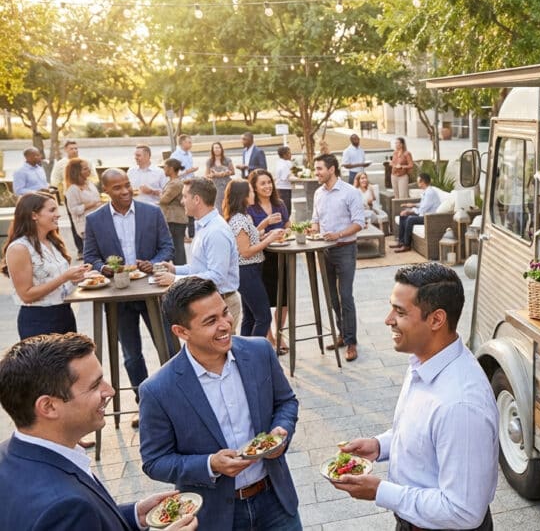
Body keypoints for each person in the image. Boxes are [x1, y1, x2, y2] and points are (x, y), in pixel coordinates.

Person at [331, 263, 498, 530]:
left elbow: (463, 511)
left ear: (436, 320)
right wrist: (380, 446)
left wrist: (380, 491)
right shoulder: (425, 360)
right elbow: (425, 434)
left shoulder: (461, 405)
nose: (388, 320)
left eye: (400, 312)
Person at [139, 277, 301, 531]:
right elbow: (154, 461)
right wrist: (210, 464)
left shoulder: (260, 352)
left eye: (225, 312)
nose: (225, 324)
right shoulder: (158, 389)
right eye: (210, 321)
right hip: (215, 516)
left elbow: (286, 402)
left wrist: (282, 431)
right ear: (181, 332)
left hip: (275, 500)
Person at [0, 334, 198, 531]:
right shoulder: (65, 507)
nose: (110, 391)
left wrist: (133, 515)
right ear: (48, 406)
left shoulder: (9, 454)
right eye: (95, 385)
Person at [83, 169, 176, 409]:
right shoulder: (94, 220)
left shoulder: (152, 212)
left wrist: (153, 262)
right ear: (105, 190)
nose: (125, 191)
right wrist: (103, 268)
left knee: (168, 347)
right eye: (117, 187)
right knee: (131, 355)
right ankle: (144, 404)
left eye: (127, 185)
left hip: (152, 292)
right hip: (119, 297)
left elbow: (167, 247)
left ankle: (176, 398)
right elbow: (90, 256)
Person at [153, 178, 242, 332]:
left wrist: (175, 280)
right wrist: (175, 269)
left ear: (196, 199)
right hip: (211, 302)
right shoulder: (205, 226)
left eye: (184, 196)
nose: (182, 201)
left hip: (220, 303)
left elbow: (216, 276)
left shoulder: (216, 231)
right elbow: (200, 268)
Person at [2, 192, 88, 338]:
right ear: (34, 215)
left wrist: (78, 277)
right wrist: (64, 277)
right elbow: (26, 295)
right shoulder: (19, 248)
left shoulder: (52, 242)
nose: (58, 214)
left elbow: (57, 285)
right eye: (52, 210)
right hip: (39, 320)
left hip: (65, 314)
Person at [310, 153, 364, 362]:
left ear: (331, 169)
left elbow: (359, 223)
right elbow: (316, 219)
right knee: (332, 297)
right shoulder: (318, 193)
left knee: (345, 296)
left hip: (345, 249)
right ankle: (342, 334)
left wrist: (338, 235)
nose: (316, 173)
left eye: (319, 169)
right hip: (325, 251)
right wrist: (313, 230)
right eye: (316, 169)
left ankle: (351, 342)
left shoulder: (350, 192)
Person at [224, 179, 283, 348]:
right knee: (263, 317)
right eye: (250, 191)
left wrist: (265, 230)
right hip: (247, 270)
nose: (253, 194)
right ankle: (254, 353)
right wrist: (269, 239)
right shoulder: (239, 220)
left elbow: (249, 238)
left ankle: (243, 352)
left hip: (251, 270)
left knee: (250, 317)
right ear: (242, 196)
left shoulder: (244, 216)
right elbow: (246, 251)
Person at [247, 169, 290, 348]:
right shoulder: (250, 208)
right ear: (255, 187)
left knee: (284, 299)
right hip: (261, 258)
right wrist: (265, 227)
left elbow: (287, 224)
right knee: (264, 300)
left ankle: (279, 333)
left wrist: (286, 231)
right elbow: (249, 235)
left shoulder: (279, 204)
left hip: (282, 255)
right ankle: (270, 337)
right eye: (263, 183)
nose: (267, 186)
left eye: (269, 182)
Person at [392, 173, 442, 253]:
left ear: (423, 182)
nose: (417, 183)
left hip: (430, 218)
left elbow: (422, 209)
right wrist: (413, 205)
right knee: (403, 216)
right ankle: (401, 242)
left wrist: (409, 211)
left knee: (410, 219)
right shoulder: (427, 191)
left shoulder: (430, 193)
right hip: (424, 214)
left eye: (418, 181)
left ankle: (406, 245)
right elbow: (423, 205)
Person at [63, 158, 103, 256]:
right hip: (86, 226)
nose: (89, 170)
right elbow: (73, 210)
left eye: (88, 167)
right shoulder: (72, 189)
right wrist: (89, 205)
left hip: (99, 222)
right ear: (76, 172)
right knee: (93, 253)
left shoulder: (89, 183)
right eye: (85, 169)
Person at [170, 134, 200, 240]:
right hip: (180, 186)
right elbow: (174, 173)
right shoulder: (175, 156)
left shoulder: (189, 154)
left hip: (190, 184)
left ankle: (192, 235)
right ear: (182, 142)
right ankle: (183, 235)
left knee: (191, 208)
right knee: (182, 210)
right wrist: (187, 171)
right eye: (189, 142)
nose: (191, 144)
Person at [160, 159, 189, 265]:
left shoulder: (175, 184)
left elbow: (164, 200)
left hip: (175, 219)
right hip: (174, 219)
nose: (163, 169)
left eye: (165, 167)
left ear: (171, 169)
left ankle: (180, 269)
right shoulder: (173, 182)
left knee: (177, 247)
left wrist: (158, 195)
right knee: (176, 246)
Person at [205, 141, 233, 215]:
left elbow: (232, 171)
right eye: (215, 148)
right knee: (217, 205)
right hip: (216, 186)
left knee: (228, 203)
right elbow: (206, 175)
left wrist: (225, 173)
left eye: (218, 147)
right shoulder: (209, 161)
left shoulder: (227, 160)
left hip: (226, 184)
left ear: (221, 149)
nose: (217, 149)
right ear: (212, 150)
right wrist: (213, 175)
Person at [273, 146, 293, 216]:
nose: (291, 155)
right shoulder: (283, 165)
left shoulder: (280, 163)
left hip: (281, 188)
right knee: (286, 210)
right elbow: (287, 177)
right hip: (284, 189)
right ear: (284, 155)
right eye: (289, 153)